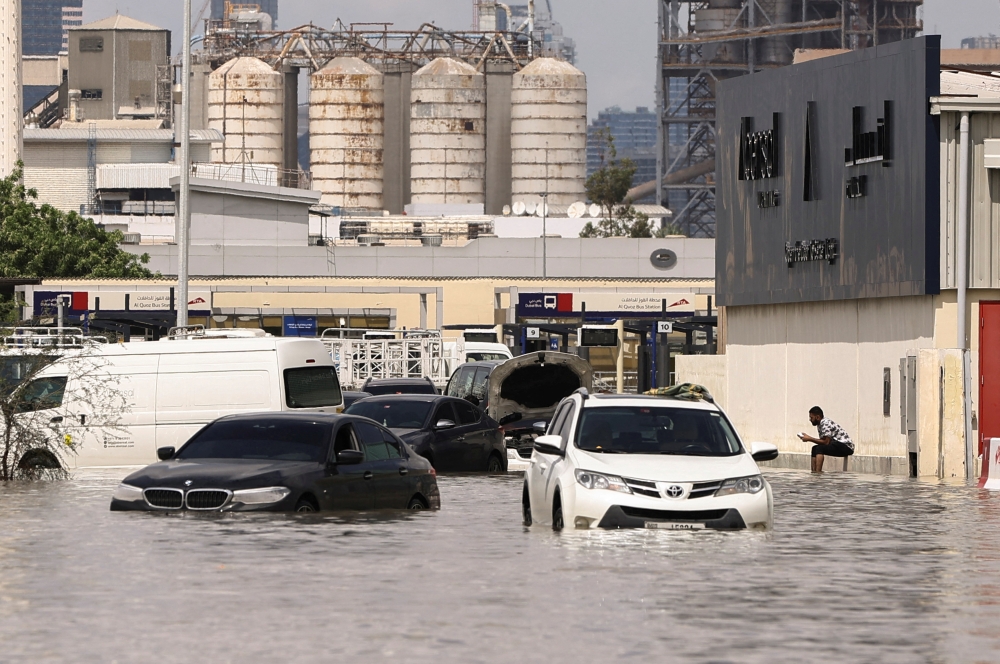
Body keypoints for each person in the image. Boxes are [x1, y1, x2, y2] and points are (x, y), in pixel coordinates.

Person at [797, 406, 854, 473]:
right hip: (837, 445)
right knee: (814, 448)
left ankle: (818, 473)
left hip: (846, 447)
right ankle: (814, 473)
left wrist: (809, 438)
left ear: (817, 417)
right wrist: (809, 438)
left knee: (819, 449)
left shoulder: (825, 423)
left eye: (811, 417)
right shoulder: (820, 424)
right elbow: (824, 442)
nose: (810, 419)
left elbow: (826, 442)